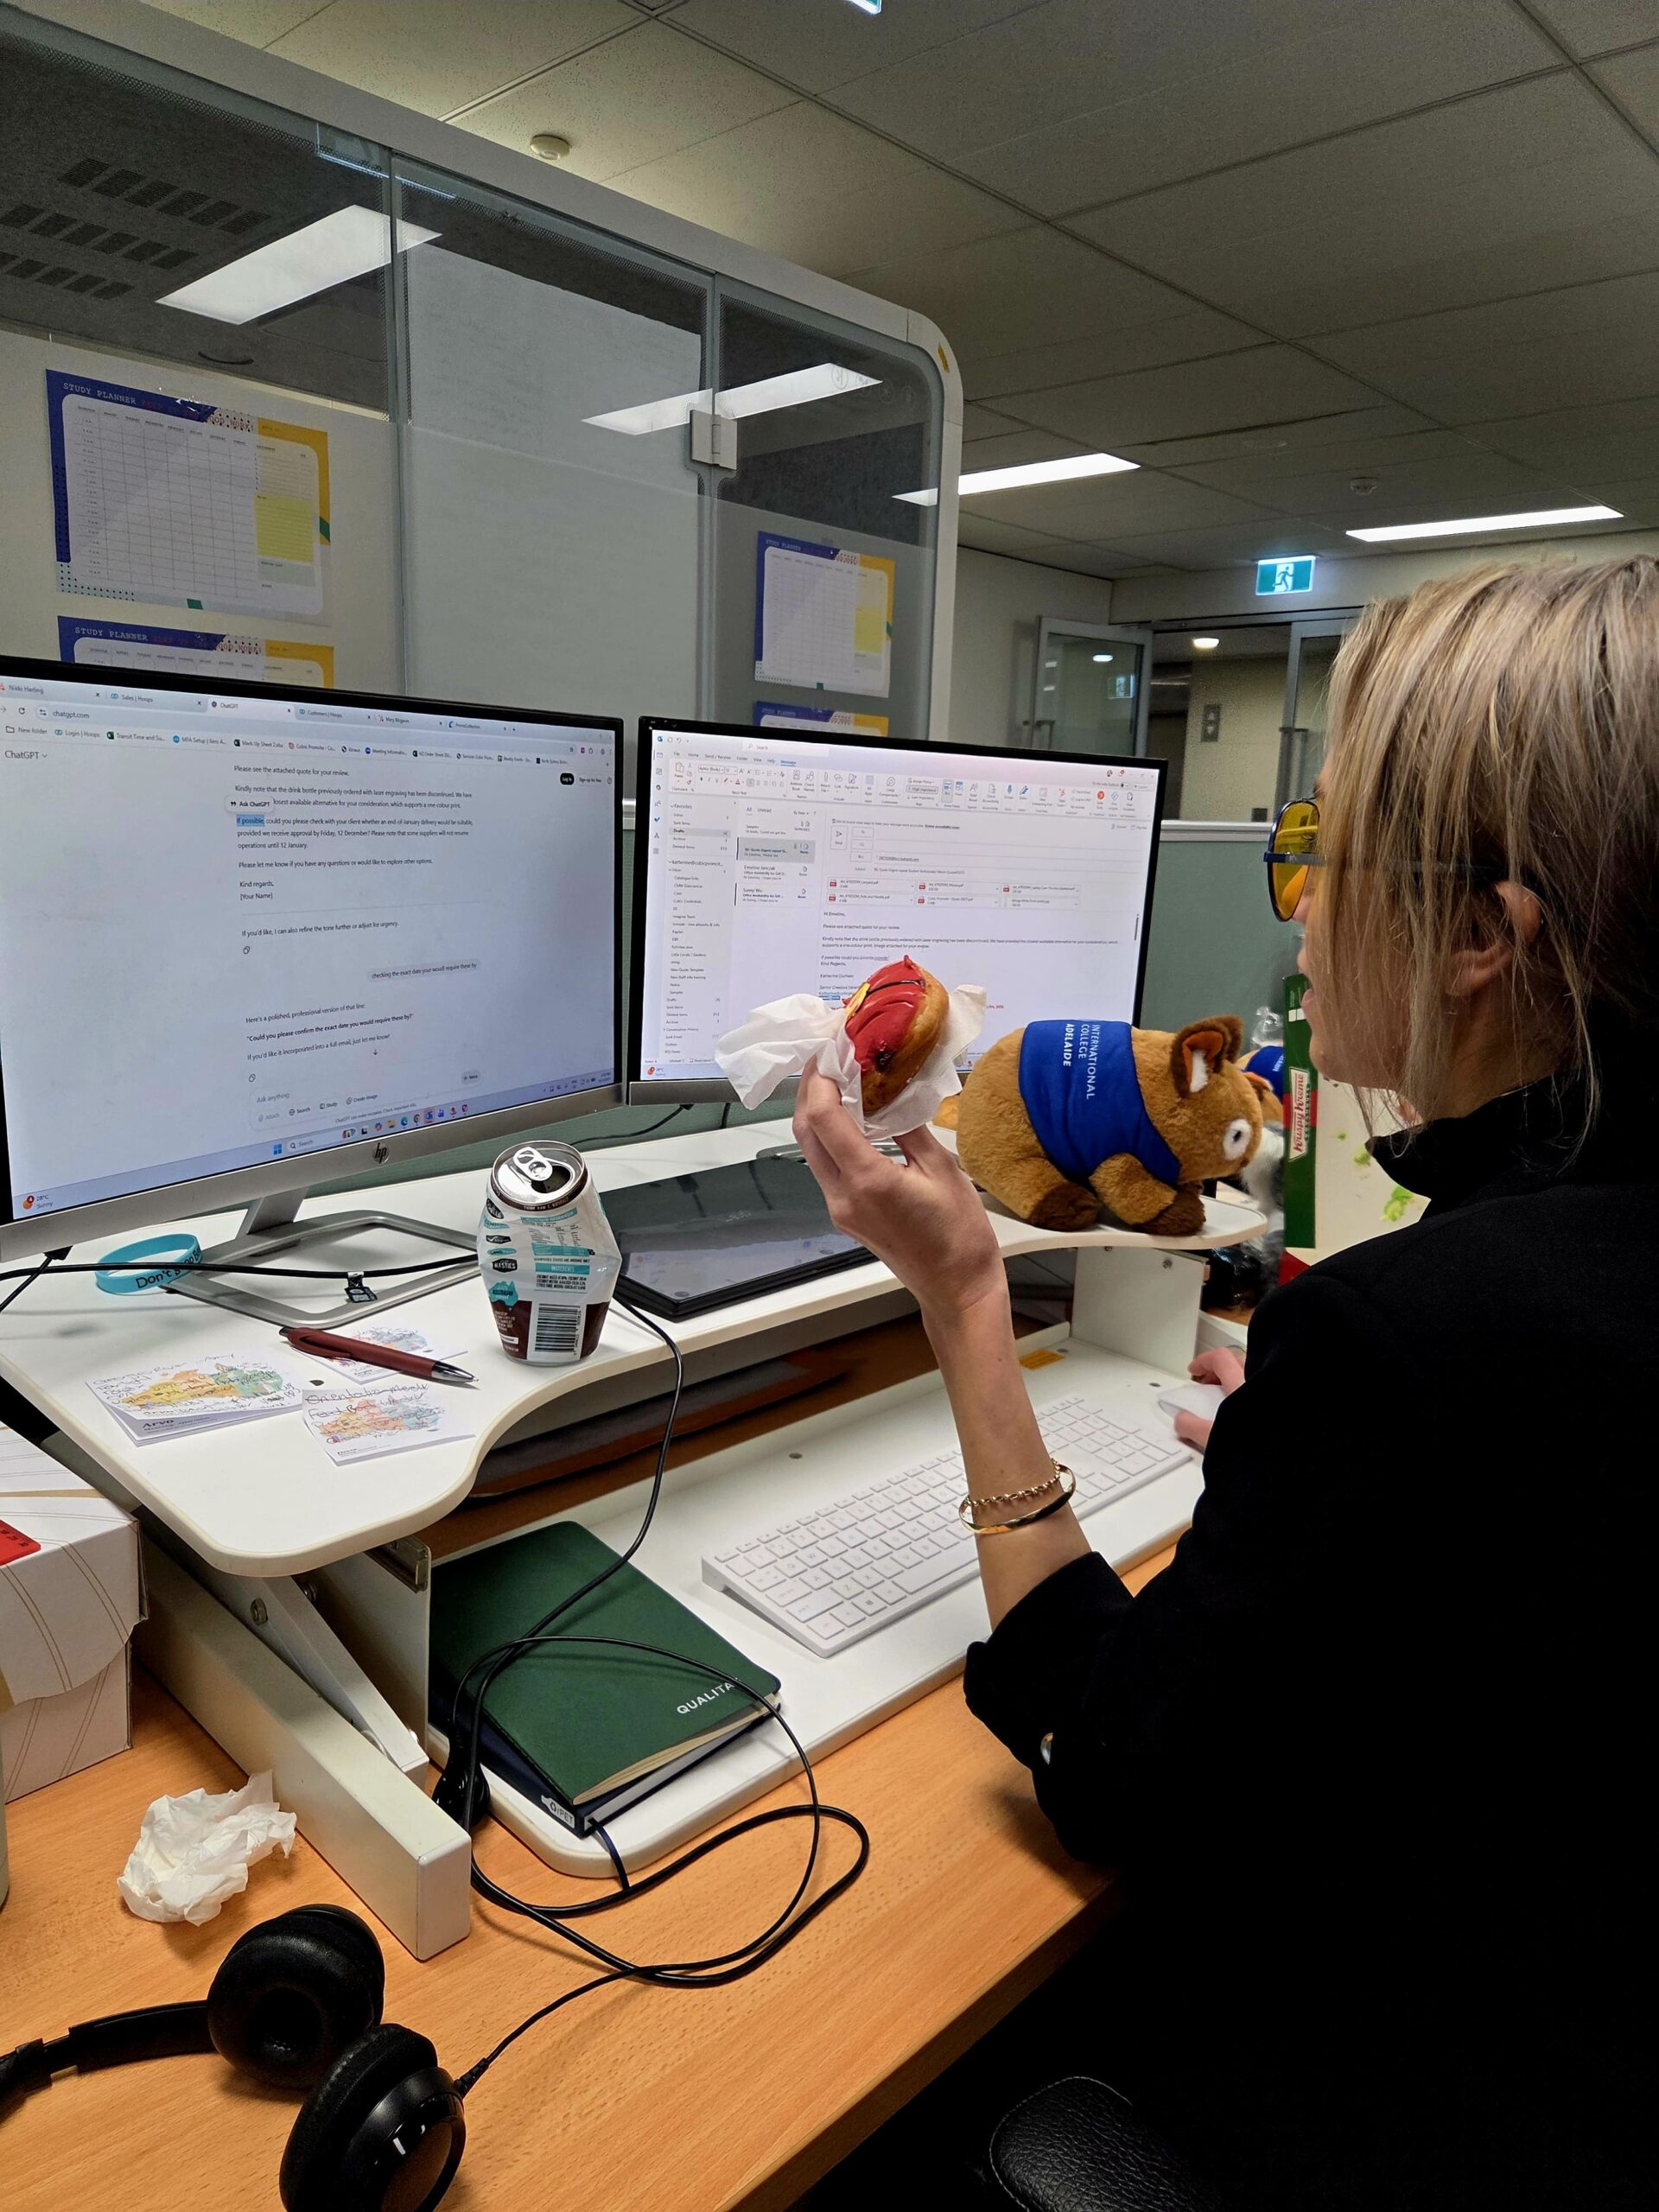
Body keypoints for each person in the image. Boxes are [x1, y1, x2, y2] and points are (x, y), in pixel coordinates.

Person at [791, 558, 1656, 2210]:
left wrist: (969, 1294)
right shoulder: (1494, 1308)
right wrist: (1354, 1455)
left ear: (1487, 937)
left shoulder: (1425, 1341)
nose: (1304, 909)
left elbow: (1103, 1765)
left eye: (1322, 852)